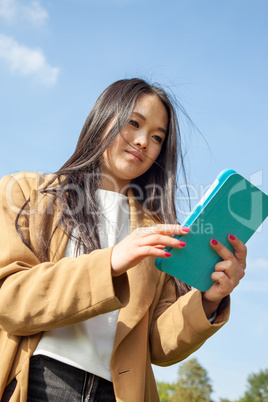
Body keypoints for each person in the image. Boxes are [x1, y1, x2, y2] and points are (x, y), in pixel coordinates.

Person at [0, 78, 246, 402]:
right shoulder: (25, 192)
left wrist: (209, 301)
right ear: (103, 117)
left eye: (157, 137)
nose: (144, 141)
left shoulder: (155, 230)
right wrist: (111, 262)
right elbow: (9, 299)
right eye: (134, 123)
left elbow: (157, 344)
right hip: (40, 380)